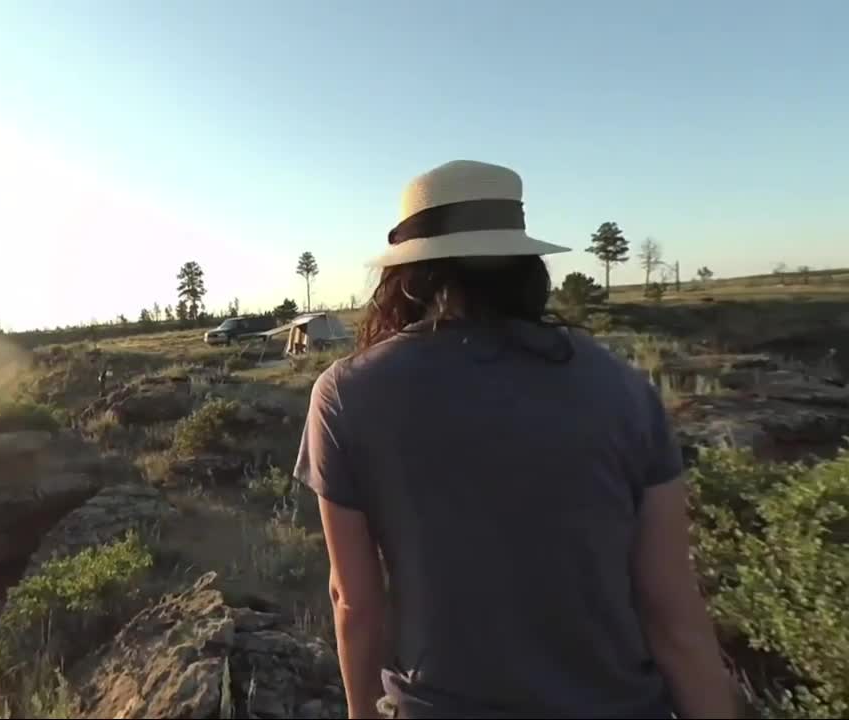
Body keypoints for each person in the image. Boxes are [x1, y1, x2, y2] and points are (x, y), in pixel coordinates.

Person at [294, 160, 739, 719]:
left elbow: (355, 603)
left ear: (410, 274)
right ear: (527, 265)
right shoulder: (623, 388)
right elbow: (674, 614)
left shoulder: (346, 395)